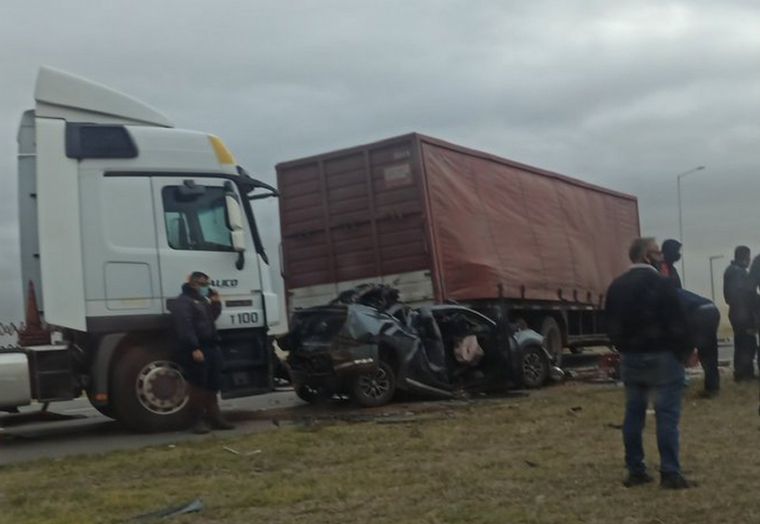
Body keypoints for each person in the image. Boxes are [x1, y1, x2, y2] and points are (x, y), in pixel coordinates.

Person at [606, 237, 693, 489]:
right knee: (667, 416)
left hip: (631, 358)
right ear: (646, 256)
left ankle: (636, 470)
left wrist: (624, 347)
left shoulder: (617, 286)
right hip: (663, 357)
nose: (661, 257)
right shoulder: (662, 284)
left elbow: (610, 324)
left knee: (634, 415)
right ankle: (670, 473)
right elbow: (677, 321)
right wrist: (685, 351)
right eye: (657, 252)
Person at [170, 271, 235, 434]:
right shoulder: (183, 302)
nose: (206, 287)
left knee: (213, 384)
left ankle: (215, 418)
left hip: (211, 347)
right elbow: (185, 327)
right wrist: (194, 348)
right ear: (193, 284)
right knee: (198, 386)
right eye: (203, 284)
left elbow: (210, 319)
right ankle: (196, 421)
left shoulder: (202, 301)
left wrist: (216, 303)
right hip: (198, 348)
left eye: (207, 284)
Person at [723, 246, 758, 381]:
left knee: (742, 343)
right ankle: (744, 375)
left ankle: (743, 373)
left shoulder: (733, 270)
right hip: (742, 313)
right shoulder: (738, 272)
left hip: (738, 312)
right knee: (747, 344)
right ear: (744, 257)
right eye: (748, 257)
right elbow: (744, 294)